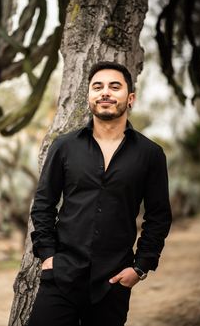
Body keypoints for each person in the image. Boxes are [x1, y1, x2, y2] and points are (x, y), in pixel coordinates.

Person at [28, 61, 172, 326]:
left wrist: (140, 268)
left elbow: (159, 216)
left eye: (114, 87)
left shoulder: (150, 154)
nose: (105, 92)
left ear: (130, 98)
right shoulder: (65, 147)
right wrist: (48, 256)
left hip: (113, 282)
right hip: (61, 276)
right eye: (98, 87)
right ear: (90, 96)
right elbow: (43, 205)